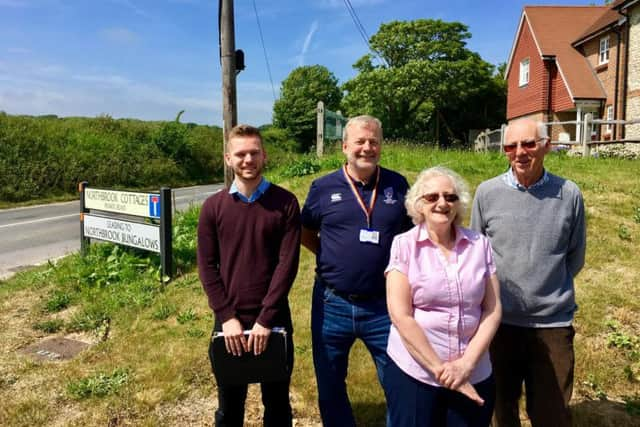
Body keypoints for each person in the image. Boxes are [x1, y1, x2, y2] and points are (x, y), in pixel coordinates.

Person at [470, 118, 587, 427]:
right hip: (499, 322)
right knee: (499, 408)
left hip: (552, 323)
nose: (519, 152)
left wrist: (546, 289)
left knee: (552, 413)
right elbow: (476, 255)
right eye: (511, 146)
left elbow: (575, 256)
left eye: (528, 144)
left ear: (546, 146)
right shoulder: (487, 193)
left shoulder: (569, 194)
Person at [301, 115, 412, 426]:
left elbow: (410, 236)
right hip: (332, 302)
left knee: (400, 380)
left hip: (384, 303)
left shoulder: (397, 184)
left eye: (373, 141)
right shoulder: (323, 187)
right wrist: (327, 255)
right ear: (345, 146)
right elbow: (304, 230)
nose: (367, 147)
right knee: (330, 383)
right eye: (360, 141)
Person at [197, 124, 301, 427]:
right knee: (229, 407)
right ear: (228, 158)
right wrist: (226, 317)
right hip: (230, 320)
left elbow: (287, 265)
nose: (248, 160)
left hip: (275, 318)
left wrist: (266, 319)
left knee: (278, 404)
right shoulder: (213, 207)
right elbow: (207, 266)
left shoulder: (286, 203)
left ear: (264, 155)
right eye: (240, 154)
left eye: (254, 153)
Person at [384, 166, 501, 427]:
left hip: (474, 372)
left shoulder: (479, 245)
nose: (442, 203)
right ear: (419, 205)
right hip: (416, 374)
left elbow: (492, 310)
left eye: (450, 197)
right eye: (432, 197)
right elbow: (401, 316)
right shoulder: (404, 245)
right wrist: (443, 371)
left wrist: (466, 365)